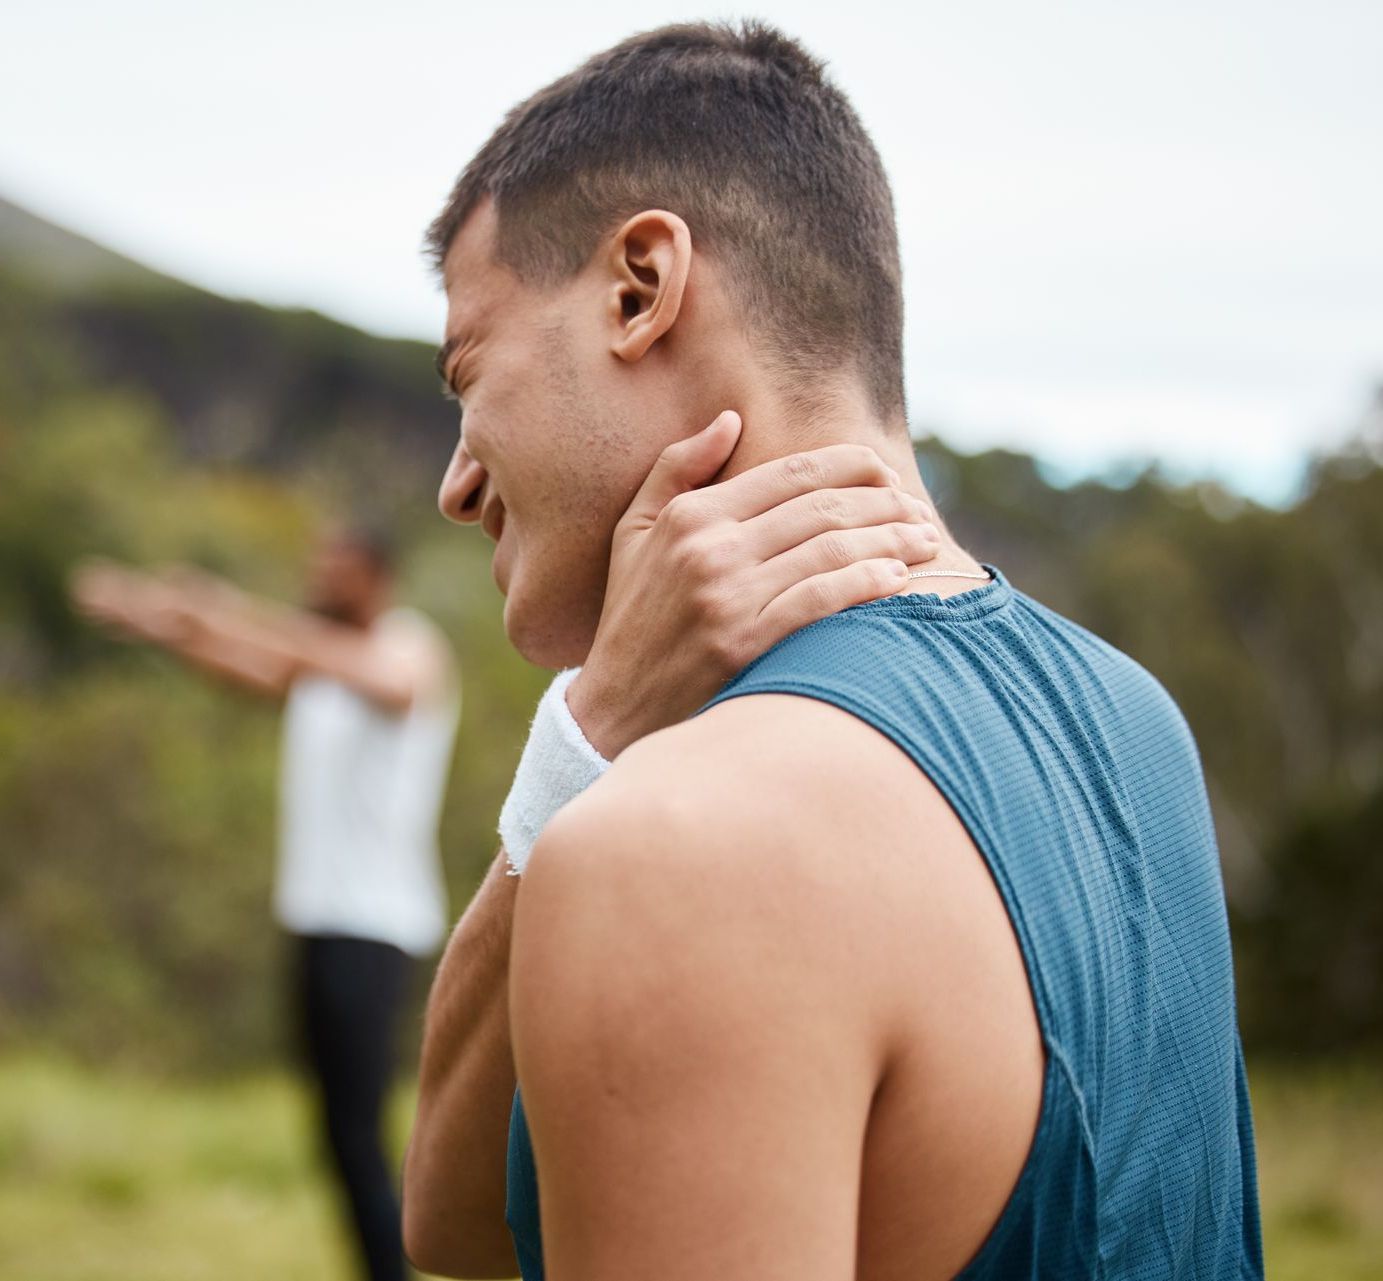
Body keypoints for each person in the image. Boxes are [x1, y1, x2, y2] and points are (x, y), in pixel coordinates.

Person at [405, 19, 1262, 1281]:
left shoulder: (684, 850)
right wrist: (585, 737)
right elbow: (454, 1217)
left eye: (468, 372)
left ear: (640, 288)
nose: (455, 481)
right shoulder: (1136, 720)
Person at [72, 526, 456, 1281]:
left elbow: (373, 679)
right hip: (315, 918)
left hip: (373, 925)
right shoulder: (321, 666)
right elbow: (254, 668)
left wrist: (223, 606)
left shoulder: (409, 648)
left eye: (335, 571)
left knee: (358, 1126)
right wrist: (160, 622)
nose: (319, 580)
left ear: (377, 577)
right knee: (335, 1130)